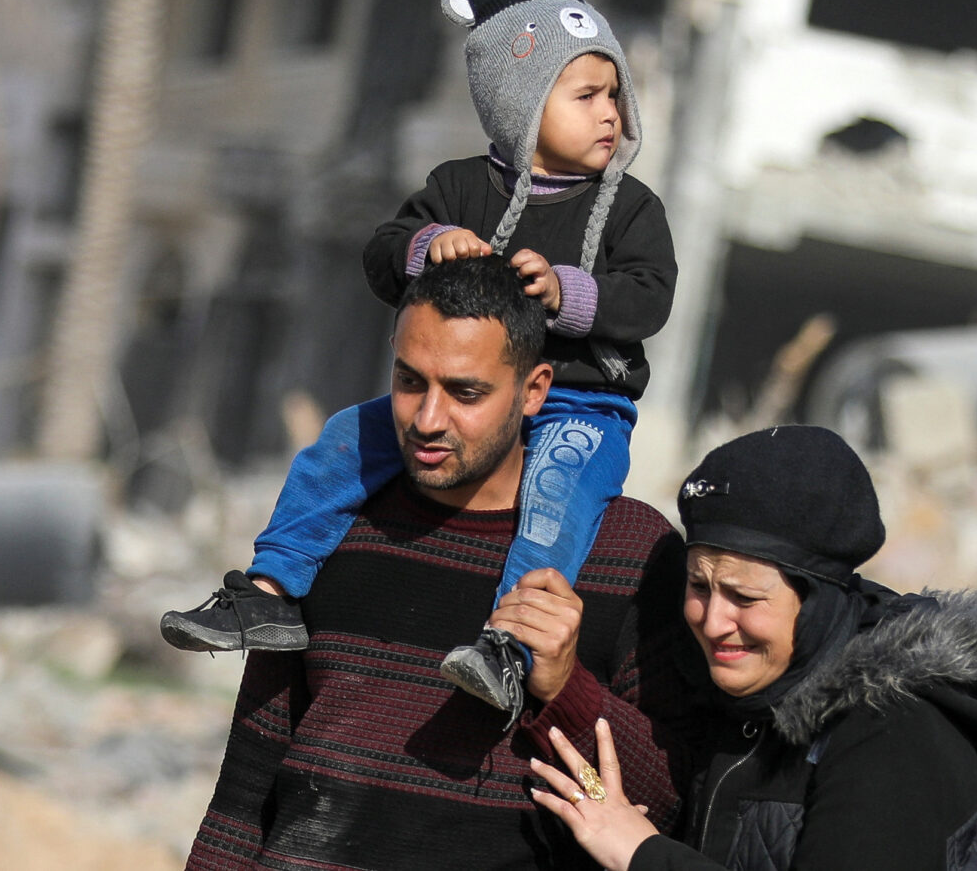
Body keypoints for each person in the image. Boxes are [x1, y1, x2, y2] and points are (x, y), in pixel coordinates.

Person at [161, 0, 677, 720]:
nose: (611, 113)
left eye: (615, 94)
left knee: (555, 495)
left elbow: (651, 296)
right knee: (340, 443)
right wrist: (431, 245)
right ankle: (267, 593)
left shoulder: (630, 209)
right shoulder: (460, 186)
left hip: (581, 402)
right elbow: (382, 251)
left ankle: (508, 648)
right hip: (465, 400)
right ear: (521, 103)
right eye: (587, 96)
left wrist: (572, 292)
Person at [183, 257, 692, 870]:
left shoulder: (630, 554)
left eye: (465, 392)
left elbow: (669, 804)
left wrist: (563, 687)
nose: (427, 420)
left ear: (535, 390)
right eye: (409, 382)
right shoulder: (335, 527)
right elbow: (246, 788)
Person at [530, 425, 977, 871]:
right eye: (698, 586)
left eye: (745, 596)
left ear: (818, 600)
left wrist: (644, 854)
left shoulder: (890, 730)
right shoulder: (739, 702)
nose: (714, 622)